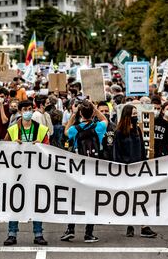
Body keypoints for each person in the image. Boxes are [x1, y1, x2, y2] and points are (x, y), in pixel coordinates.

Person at [3, 100, 49, 246]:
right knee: (15, 202)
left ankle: (38, 233)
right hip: (16, 172)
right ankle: (12, 233)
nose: (28, 112)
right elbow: (2, 148)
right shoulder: (12, 129)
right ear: (21, 111)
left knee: (36, 202)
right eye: (25, 109)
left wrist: (40, 145)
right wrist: (12, 145)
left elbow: (48, 149)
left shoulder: (41, 129)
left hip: (36, 171)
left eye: (30, 109)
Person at [62, 100, 107, 243]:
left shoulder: (75, 129)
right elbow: (105, 119)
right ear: (92, 113)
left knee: (74, 199)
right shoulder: (99, 127)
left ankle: (70, 229)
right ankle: (89, 233)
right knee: (91, 201)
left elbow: (66, 131)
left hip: (78, 169)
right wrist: (94, 109)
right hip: (94, 169)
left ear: (80, 113)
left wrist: (73, 114)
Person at [113, 104, 157, 238]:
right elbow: (117, 152)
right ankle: (130, 226)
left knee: (141, 198)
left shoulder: (137, 129)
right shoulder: (119, 132)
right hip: (126, 170)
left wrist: (144, 164)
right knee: (130, 199)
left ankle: (144, 226)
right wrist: (121, 168)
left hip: (139, 169)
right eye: (133, 114)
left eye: (136, 114)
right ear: (127, 115)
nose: (135, 116)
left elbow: (142, 150)